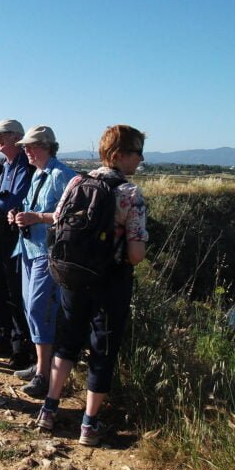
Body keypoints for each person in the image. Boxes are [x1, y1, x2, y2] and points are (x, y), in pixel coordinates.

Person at [35, 124, 148, 447]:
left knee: (67, 341)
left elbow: (57, 221)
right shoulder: (129, 194)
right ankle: (89, 425)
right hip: (110, 281)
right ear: (119, 155)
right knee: (103, 349)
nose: (140, 160)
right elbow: (136, 254)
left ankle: (49, 409)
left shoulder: (76, 182)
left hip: (72, 276)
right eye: (137, 153)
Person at [8, 125, 77, 398]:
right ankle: (40, 364)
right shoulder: (39, 174)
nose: (26, 151)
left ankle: (43, 375)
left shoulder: (64, 176)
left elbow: (70, 216)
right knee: (30, 306)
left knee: (39, 309)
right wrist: (17, 215)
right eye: (25, 147)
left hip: (47, 252)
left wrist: (38, 218)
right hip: (27, 248)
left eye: (31, 146)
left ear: (47, 146)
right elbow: (31, 205)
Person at [0, 119, 34, 369]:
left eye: (2, 134)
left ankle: (20, 346)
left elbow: (20, 200)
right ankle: (2, 335)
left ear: (17, 138)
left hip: (14, 229)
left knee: (14, 287)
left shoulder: (27, 165)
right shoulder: (3, 166)